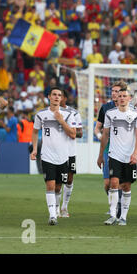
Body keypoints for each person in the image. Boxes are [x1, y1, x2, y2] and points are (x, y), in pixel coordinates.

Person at [97, 87, 137, 226]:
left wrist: (135, 153)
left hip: (129, 156)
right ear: (117, 98)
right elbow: (105, 135)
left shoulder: (136, 115)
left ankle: (123, 216)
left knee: (126, 186)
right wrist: (101, 155)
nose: (122, 98)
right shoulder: (110, 114)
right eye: (120, 96)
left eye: (125, 96)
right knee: (114, 183)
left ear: (129, 98)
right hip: (114, 154)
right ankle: (112, 215)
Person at [31, 87, 77, 226]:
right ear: (49, 97)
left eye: (59, 95)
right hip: (47, 156)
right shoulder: (41, 114)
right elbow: (34, 132)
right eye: (54, 95)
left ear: (62, 98)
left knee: (58, 187)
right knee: (50, 185)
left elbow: (73, 134)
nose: (57, 97)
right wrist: (34, 149)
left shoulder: (69, 115)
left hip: (63, 156)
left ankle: (56, 208)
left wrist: (61, 121)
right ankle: (52, 215)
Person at [95, 80, 127, 217]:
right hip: (109, 147)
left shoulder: (129, 109)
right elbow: (97, 128)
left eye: (117, 91)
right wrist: (100, 136)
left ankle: (118, 208)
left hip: (124, 147)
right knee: (107, 183)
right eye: (112, 91)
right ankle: (114, 204)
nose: (114, 93)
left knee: (121, 182)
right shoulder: (105, 108)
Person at [59, 90, 83, 218]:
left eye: (61, 96)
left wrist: (68, 130)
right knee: (57, 180)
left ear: (65, 98)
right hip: (56, 151)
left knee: (69, 179)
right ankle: (55, 207)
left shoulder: (74, 113)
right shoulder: (50, 113)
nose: (58, 98)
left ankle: (64, 206)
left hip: (70, 151)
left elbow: (79, 133)